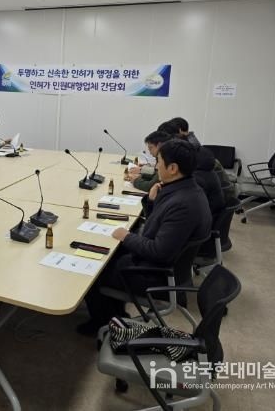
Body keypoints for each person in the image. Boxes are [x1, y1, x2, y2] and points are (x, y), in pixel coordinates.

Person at [78, 139, 212, 335]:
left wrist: (126, 236)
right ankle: (115, 313)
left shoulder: (182, 204)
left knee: (94, 269)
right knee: (108, 252)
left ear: (173, 168)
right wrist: (151, 202)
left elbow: (159, 251)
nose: (156, 166)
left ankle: (103, 324)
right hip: (164, 266)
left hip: (156, 275)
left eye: (159, 161)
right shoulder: (185, 189)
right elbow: (158, 227)